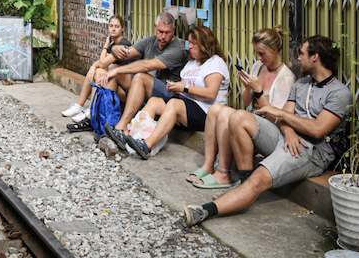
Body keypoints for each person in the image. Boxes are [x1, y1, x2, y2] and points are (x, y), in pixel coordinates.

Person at [185, 35, 350, 227]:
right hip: (288, 137)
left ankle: (204, 210)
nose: (298, 58)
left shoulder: (340, 93)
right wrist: (288, 131)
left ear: (315, 57)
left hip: (311, 150)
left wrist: (281, 116)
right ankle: (243, 184)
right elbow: (282, 118)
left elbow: (317, 129)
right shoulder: (301, 84)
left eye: (303, 54)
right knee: (239, 117)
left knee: (260, 178)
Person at [190, 26, 295, 189]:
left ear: (274, 49)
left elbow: (276, 117)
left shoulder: (286, 78)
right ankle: (209, 165)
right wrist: (248, 87)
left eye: (262, 53)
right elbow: (247, 103)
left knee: (226, 114)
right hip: (250, 120)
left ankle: (224, 173)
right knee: (216, 109)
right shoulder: (258, 67)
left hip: (271, 130)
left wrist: (259, 92)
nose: (259, 58)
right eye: (256, 53)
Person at [125, 25, 229, 159]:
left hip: (206, 111)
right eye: (189, 42)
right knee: (154, 102)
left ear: (204, 44)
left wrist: (184, 88)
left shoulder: (215, 62)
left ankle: (147, 145)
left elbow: (211, 93)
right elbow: (183, 84)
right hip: (186, 105)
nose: (189, 46)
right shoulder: (192, 63)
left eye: (193, 43)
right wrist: (175, 87)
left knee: (174, 105)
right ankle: (135, 137)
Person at [100, 12, 187, 150]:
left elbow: (148, 65)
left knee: (137, 75)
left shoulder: (177, 50)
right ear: (155, 27)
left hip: (167, 95)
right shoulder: (150, 41)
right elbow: (127, 53)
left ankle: (121, 128)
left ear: (173, 31)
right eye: (160, 32)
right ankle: (106, 121)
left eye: (167, 33)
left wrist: (117, 70)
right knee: (114, 67)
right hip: (146, 90)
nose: (163, 36)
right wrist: (115, 48)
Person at [62, 15, 132, 131]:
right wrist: (93, 67)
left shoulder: (123, 44)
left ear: (123, 29)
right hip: (116, 85)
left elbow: (103, 63)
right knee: (95, 71)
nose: (113, 29)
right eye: (111, 26)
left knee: (99, 72)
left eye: (117, 27)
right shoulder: (114, 44)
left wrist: (105, 45)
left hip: (126, 91)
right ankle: (80, 106)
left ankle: (91, 114)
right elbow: (101, 62)